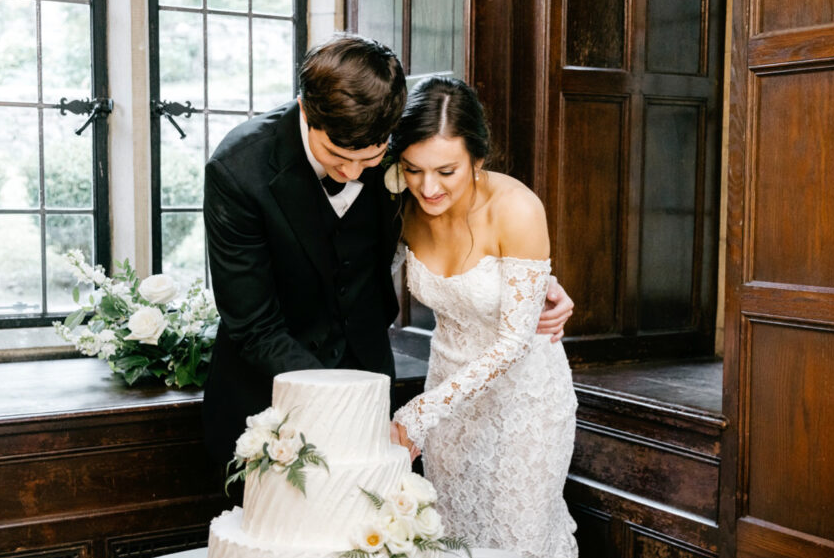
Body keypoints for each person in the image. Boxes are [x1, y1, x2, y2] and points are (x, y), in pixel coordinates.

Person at [202, 35, 573, 465]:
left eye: (371, 158)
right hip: (268, 391)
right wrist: (344, 403)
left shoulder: (404, 152)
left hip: (373, 379)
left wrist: (536, 283)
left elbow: (459, 221)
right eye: (338, 157)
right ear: (306, 110)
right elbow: (254, 326)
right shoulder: (238, 169)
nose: (353, 172)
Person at [390, 76, 579, 558]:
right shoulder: (402, 208)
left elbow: (514, 342)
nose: (429, 187)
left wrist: (420, 414)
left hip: (524, 401)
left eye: (446, 170)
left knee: (519, 547)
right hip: (449, 396)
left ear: (478, 157)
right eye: (413, 170)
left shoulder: (515, 208)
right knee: (454, 545)